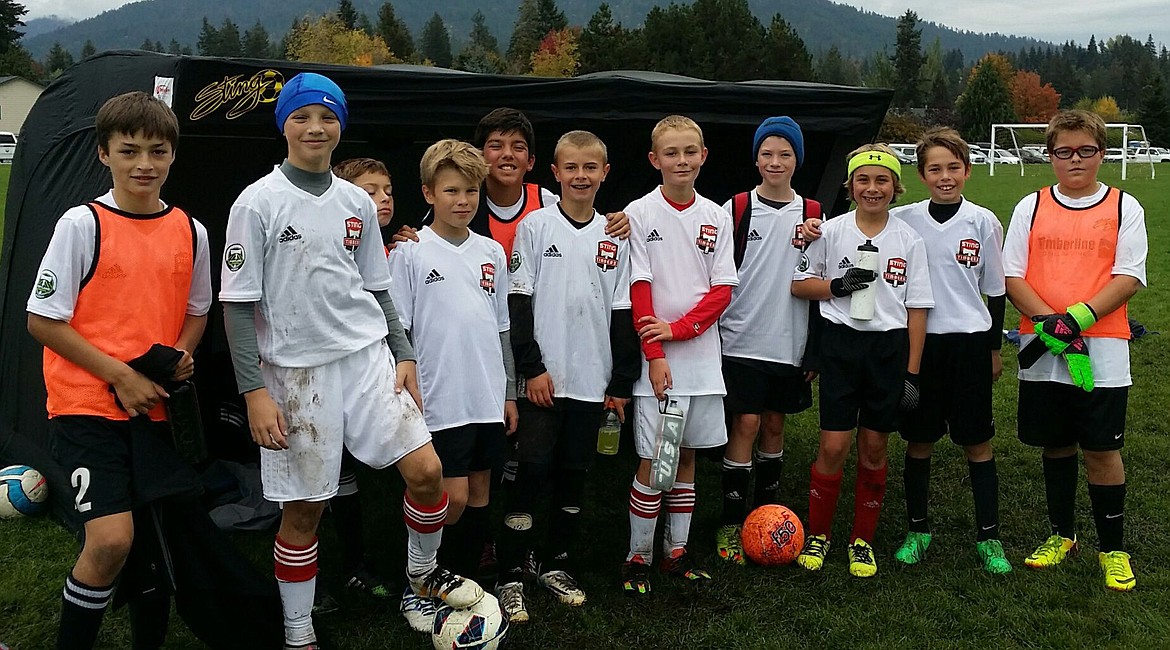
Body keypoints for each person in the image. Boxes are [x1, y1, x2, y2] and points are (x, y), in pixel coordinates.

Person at [220, 74, 481, 648]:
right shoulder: (256, 202)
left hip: (366, 360)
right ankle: (297, 629)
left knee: (428, 472)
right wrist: (253, 391)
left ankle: (421, 579)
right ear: (283, 124)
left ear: (341, 124)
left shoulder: (356, 200)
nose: (316, 127)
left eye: (327, 116)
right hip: (295, 373)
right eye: (302, 116)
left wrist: (404, 353)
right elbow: (237, 307)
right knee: (306, 512)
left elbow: (377, 287)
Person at [26, 91, 212, 650]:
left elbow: (198, 310)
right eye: (128, 151)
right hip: (87, 405)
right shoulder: (81, 224)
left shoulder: (191, 229)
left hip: (155, 408)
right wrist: (121, 375)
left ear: (174, 155)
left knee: (152, 540)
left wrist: (179, 353)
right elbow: (43, 319)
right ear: (104, 154)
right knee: (109, 541)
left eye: (157, 151)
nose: (144, 165)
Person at [806, 129, 1011, 573]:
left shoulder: (983, 221)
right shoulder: (906, 219)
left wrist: (994, 349)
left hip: (966, 345)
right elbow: (852, 224)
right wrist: (810, 229)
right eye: (934, 168)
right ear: (919, 175)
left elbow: (996, 291)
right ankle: (917, 529)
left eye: (953, 167)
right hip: (911, 345)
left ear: (967, 171)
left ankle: (989, 538)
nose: (944, 176)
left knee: (976, 439)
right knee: (919, 440)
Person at [495, 130, 640, 623]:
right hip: (545, 382)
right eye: (571, 168)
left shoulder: (615, 236)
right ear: (554, 174)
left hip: (592, 382)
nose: (581, 176)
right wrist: (531, 367)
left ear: (605, 172)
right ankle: (510, 571)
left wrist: (621, 382)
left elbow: (622, 312)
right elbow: (518, 302)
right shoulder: (536, 227)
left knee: (574, 475)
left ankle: (554, 562)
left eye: (590, 168)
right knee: (532, 471)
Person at [1003, 110, 1146, 591]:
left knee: (1102, 449)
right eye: (1064, 151)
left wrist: (1078, 320)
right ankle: (1062, 535)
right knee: (1055, 442)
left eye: (1086, 150)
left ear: (1102, 153)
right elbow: (1012, 276)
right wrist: (1052, 326)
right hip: (1042, 345)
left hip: (1102, 348)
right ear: (1050, 156)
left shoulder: (1126, 206)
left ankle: (1113, 548)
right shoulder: (1031, 205)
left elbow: (1129, 276)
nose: (1075, 160)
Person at [791, 144, 933, 579]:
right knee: (834, 445)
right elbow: (800, 285)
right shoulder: (829, 232)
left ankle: (862, 540)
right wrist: (835, 286)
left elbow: (917, 311)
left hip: (887, 351)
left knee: (873, 448)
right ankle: (819, 534)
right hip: (840, 346)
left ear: (896, 187)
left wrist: (911, 373)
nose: (873, 189)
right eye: (864, 180)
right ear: (850, 186)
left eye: (882, 180)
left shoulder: (908, 240)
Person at [388, 138, 519, 597]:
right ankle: (422, 576)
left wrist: (508, 393)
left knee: (481, 493)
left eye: (470, 191)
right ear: (428, 194)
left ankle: (466, 581)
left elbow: (501, 326)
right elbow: (397, 327)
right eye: (450, 192)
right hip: (439, 397)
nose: (462, 201)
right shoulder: (410, 251)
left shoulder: (491, 253)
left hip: (485, 394)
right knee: (453, 497)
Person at [620, 115, 738, 596]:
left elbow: (722, 289)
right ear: (654, 160)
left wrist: (682, 329)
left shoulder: (716, 215)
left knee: (685, 455)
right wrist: (655, 350)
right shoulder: (639, 213)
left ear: (703, 156)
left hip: (701, 359)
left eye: (690, 152)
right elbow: (638, 287)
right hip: (660, 364)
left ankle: (676, 552)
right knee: (653, 459)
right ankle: (637, 557)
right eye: (671, 153)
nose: (681, 160)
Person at [715, 116, 818, 565]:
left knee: (775, 425)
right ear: (755, 158)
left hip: (789, 341)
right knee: (746, 424)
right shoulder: (736, 208)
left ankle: (767, 514)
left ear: (797, 159)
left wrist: (813, 348)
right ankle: (732, 521)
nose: (775, 162)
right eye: (767, 154)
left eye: (785, 154)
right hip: (740, 337)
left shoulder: (814, 214)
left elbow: (819, 284)